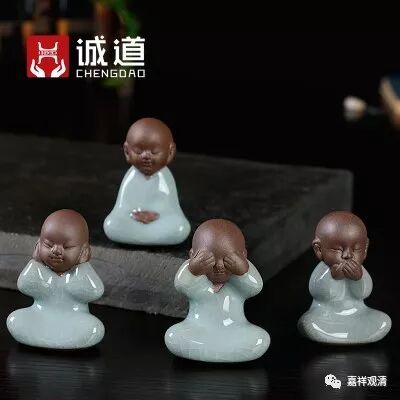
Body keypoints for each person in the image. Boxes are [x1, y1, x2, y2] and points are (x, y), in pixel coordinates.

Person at [165, 219, 270, 362]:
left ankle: (219, 350)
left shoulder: (237, 280)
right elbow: (182, 286)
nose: (219, 265)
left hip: (234, 328)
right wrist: (193, 270)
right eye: (209, 259)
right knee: (173, 336)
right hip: (197, 328)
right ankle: (221, 351)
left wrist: (243, 272)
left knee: (260, 339)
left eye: (228, 259)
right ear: (192, 255)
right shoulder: (198, 279)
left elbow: (255, 288)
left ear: (243, 255)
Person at [7, 209, 105, 349]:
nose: (56, 251)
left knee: (95, 328)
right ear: (38, 244)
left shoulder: (79, 273)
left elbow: (94, 292)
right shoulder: (41, 270)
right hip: (38, 316)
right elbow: (24, 285)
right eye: (48, 245)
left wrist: (82, 266)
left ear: (84, 250)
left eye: (67, 247)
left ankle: (62, 340)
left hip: (75, 319)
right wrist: (35, 262)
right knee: (14, 319)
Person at [298, 211, 391, 344]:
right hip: (325, 315)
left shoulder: (359, 270)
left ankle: (356, 331)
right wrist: (332, 277)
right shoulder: (324, 270)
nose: (347, 255)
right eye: (338, 250)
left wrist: (358, 278)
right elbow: (319, 294)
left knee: (384, 321)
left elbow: (364, 293)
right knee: (309, 323)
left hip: (357, 312)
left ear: (365, 248)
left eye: (356, 249)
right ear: (319, 249)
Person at [104, 117, 190, 245]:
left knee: (181, 227)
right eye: (138, 151)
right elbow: (121, 208)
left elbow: (172, 209)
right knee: (111, 224)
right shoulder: (130, 177)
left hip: (160, 220)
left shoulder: (165, 178)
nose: (146, 156)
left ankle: (144, 235)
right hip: (133, 220)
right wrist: (134, 214)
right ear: (127, 152)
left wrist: (156, 214)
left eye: (154, 152)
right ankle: (149, 236)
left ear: (170, 153)